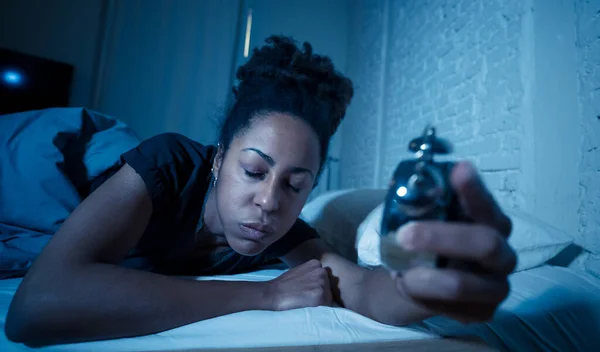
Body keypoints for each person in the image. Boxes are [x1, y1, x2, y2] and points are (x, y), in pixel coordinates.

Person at [5, 35, 516, 346]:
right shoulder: (168, 166)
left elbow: (360, 290)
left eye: (297, 185)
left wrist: (419, 281)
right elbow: (36, 308)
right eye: (253, 171)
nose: (271, 202)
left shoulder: (288, 233)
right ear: (220, 157)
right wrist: (265, 294)